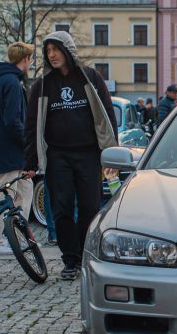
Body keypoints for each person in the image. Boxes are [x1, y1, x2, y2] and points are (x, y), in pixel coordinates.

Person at [25, 32, 115, 280]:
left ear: (68, 50)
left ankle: (85, 254)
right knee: (62, 209)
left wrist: (111, 152)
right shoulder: (43, 85)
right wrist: (30, 160)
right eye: (48, 51)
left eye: (56, 49)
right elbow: (32, 125)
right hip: (58, 156)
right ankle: (70, 260)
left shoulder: (90, 77)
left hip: (88, 154)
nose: (52, 55)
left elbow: (106, 115)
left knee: (90, 207)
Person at [0, 43, 35, 255]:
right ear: (25, 60)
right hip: (10, 151)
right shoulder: (12, 83)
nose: (31, 62)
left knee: (25, 190)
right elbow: (13, 120)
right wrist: (27, 144)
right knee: (1, 195)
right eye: (30, 59)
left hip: (7, 149)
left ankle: (19, 238)